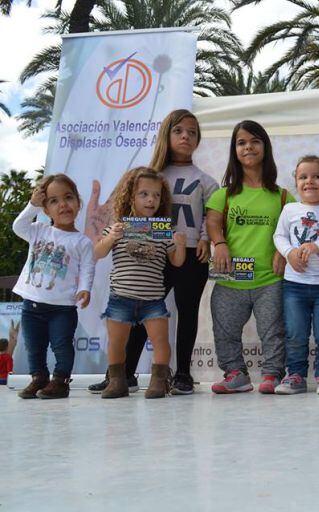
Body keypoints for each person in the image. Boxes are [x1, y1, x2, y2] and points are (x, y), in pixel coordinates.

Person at [87, 109, 218, 395]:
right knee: (138, 307)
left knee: (187, 311)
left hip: (190, 252)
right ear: (166, 135)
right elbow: (123, 208)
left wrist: (207, 238)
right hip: (151, 253)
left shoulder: (206, 180)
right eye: (179, 131)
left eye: (192, 132)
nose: (186, 136)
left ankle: (182, 373)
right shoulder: (150, 176)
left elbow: (213, 215)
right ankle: (123, 374)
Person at [206, 120, 291, 394]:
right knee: (225, 331)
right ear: (234, 151)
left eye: (254, 141)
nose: (248, 147)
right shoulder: (223, 195)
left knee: (273, 331)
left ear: (265, 147)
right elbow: (213, 223)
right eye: (241, 143)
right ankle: (235, 374)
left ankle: (272, 375)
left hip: (270, 279)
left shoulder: (283, 197)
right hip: (231, 280)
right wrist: (219, 243)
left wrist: (283, 252)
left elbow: (295, 230)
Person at [94, 167, 186, 399]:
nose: (151, 200)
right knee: (116, 342)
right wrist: (110, 238)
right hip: (120, 298)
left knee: (160, 341)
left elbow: (176, 261)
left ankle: (159, 381)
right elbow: (97, 253)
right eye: (144, 194)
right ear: (130, 197)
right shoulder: (119, 227)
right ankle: (117, 381)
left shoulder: (163, 231)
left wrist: (181, 244)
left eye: (156, 195)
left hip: (153, 299)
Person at [12, 174, 95, 399]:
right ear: (46, 209)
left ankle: (60, 381)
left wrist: (85, 288)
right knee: (34, 346)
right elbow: (17, 226)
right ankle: (39, 378)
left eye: (68, 198)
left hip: (62, 308)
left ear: (78, 203)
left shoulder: (82, 242)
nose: (63, 205)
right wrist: (32, 205)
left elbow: (88, 268)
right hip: (31, 305)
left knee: (61, 345)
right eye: (54, 200)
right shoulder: (38, 230)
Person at [273, 155, 319, 395]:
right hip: (294, 286)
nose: (310, 181)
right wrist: (290, 253)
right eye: (303, 177)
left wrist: (318, 247)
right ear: (296, 182)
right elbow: (279, 237)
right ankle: (295, 375)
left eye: (317, 176)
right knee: (296, 333)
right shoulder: (289, 209)